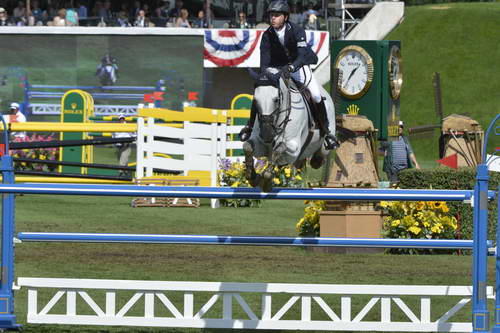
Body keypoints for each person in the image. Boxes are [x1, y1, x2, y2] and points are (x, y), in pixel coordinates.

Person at [239, 0, 339, 150]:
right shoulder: (267, 35)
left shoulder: (297, 30)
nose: (273, 18)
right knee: (262, 93)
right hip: (276, 69)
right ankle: (250, 126)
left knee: (316, 94)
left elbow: (302, 54)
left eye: (277, 15)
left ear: (285, 17)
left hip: (298, 66)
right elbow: (264, 62)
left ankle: (327, 132)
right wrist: (265, 76)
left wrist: (292, 67)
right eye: (271, 15)